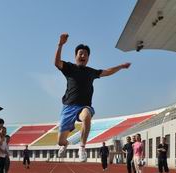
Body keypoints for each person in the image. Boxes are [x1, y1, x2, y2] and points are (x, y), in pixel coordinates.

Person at [54, 33, 131, 162]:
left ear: (88, 57)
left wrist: (121, 67)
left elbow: (107, 71)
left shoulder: (91, 72)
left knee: (87, 116)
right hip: (68, 107)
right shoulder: (69, 68)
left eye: (85, 54)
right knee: (60, 141)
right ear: (76, 56)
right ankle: (66, 144)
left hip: (83, 106)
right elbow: (56, 62)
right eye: (80, 53)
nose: (83, 56)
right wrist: (60, 44)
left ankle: (82, 147)